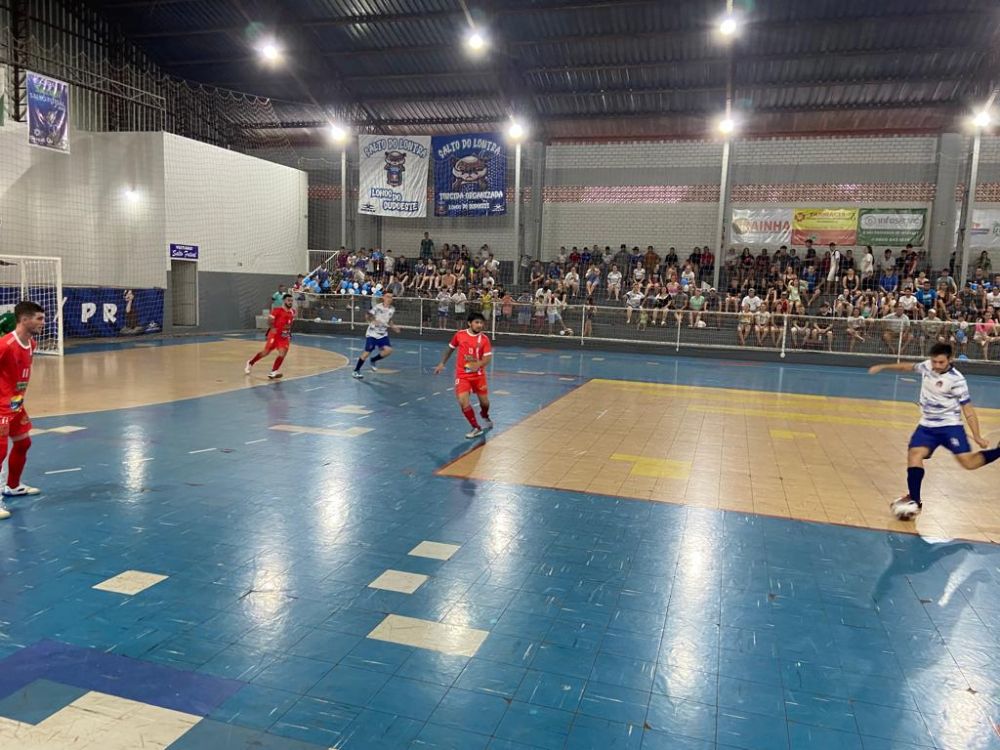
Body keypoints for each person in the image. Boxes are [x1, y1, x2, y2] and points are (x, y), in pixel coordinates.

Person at [868, 343, 1000, 520]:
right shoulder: (927, 366)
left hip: (950, 427)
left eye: (941, 362)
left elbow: (968, 409)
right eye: (934, 361)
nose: (936, 365)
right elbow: (907, 366)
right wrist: (884, 366)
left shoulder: (957, 380)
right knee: (914, 454)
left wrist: (977, 436)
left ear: (950, 360)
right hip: (927, 426)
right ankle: (915, 501)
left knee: (968, 463)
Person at [0, 301, 46, 520]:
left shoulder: (32, 344)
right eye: (39, 318)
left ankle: (13, 486)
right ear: (24, 319)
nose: (43, 323)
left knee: (23, 442)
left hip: (16, 404)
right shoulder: (5, 344)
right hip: (0, 407)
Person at [433, 312, 493, 439]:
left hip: (478, 376)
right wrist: (442, 363)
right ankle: (476, 427)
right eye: (477, 322)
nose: (479, 325)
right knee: (462, 400)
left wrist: (478, 364)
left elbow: (487, 358)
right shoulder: (460, 335)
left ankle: (484, 414)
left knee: (485, 403)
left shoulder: (484, 339)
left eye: (481, 323)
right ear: (469, 323)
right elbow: (450, 348)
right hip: (462, 375)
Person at [245, 293, 295, 379]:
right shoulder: (277, 310)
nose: (290, 302)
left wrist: (288, 331)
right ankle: (250, 363)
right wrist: (272, 328)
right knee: (265, 352)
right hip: (274, 335)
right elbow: (269, 320)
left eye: (291, 301)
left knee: (282, 353)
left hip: (284, 337)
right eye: (288, 300)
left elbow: (290, 322)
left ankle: (274, 371)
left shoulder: (293, 311)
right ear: (284, 301)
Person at [353, 291, 400, 379]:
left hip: (382, 334)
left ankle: (373, 360)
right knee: (367, 352)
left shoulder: (392, 309)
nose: (389, 299)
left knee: (388, 350)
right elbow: (367, 315)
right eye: (387, 297)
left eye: (391, 297)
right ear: (383, 297)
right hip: (372, 333)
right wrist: (372, 321)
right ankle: (356, 370)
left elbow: (389, 320)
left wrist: (393, 327)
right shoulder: (377, 307)